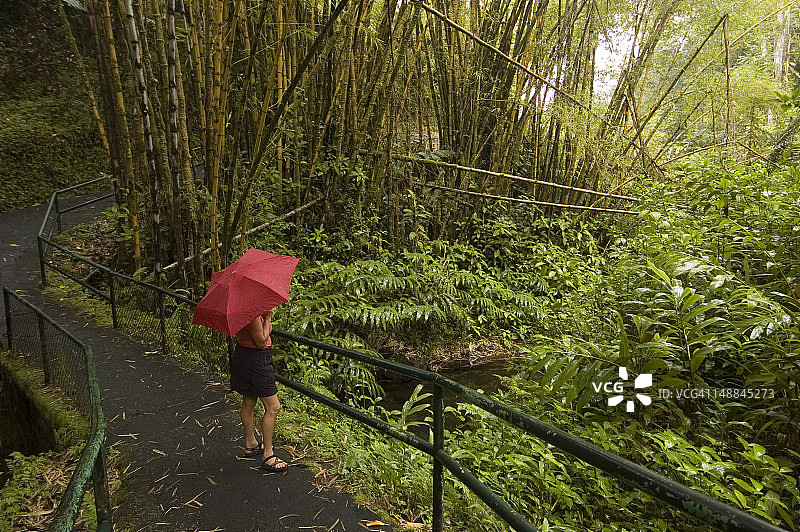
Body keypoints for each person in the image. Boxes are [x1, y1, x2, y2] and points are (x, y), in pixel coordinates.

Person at [230, 308, 288, 473]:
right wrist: (268, 318)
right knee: (273, 407)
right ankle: (268, 455)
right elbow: (261, 341)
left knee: (249, 400)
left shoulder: (240, 307)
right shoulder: (251, 313)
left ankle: (251, 443)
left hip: (244, 355)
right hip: (257, 359)